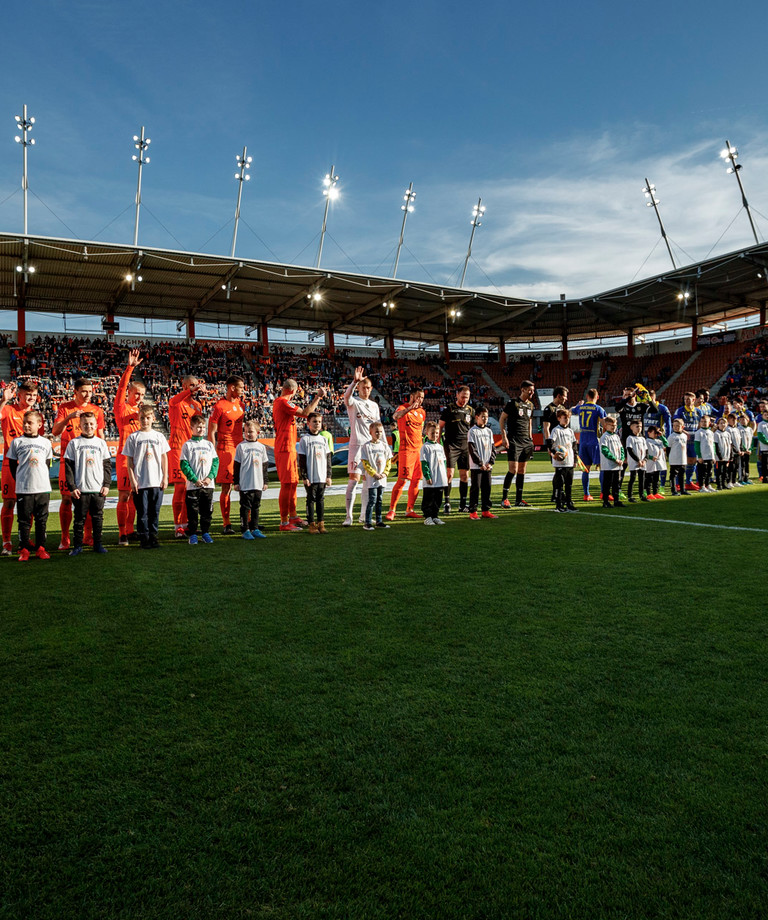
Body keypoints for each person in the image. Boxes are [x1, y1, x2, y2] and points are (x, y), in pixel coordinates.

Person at [52, 377, 106, 550]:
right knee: (67, 498)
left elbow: (101, 436)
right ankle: (65, 537)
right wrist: (68, 417)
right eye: (84, 391)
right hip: (69, 460)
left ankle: (88, 536)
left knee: (90, 498)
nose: (87, 394)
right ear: (75, 391)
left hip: (90, 461)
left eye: (90, 391)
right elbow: (55, 432)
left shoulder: (97, 410)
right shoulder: (64, 407)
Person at [272, 378, 326, 532]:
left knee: (293, 482)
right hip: (284, 447)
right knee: (287, 484)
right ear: (294, 391)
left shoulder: (281, 403)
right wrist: (318, 397)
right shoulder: (283, 402)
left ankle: (293, 515)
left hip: (288, 447)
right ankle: (284, 522)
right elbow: (306, 413)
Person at [6, 409, 53, 561]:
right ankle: (24, 549)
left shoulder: (45, 442)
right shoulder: (17, 442)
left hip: (42, 488)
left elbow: (47, 464)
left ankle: (40, 548)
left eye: (30, 423)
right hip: (24, 488)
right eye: (24, 423)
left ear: (39, 424)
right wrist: (21, 479)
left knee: (41, 521)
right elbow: (13, 465)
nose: (26, 425)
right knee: (24, 521)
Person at [1, 381, 41, 555]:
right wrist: (3, 400)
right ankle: (7, 542)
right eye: (27, 394)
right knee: (9, 502)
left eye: (33, 395)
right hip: (10, 463)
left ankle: (24, 540)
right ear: (20, 395)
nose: (31, 398)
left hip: (30, 465)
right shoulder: (9, 410)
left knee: (29, 506)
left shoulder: (36, 415)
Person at [63, 411, 111, 556]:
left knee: (98, 518)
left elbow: (107, 466)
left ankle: (98, 544)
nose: (88, 426)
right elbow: (69, 467)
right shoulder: (74, 443)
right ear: (80, 426)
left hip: (98, 489)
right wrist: (72, 487)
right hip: (81, 490)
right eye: (85, 424)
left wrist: (106, 485)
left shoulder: (101, 443)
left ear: (96, 425)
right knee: (79, 520)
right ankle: (77, 546)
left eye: (91, 424)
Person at [122, 405, 170, 549]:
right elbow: (129, 460)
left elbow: (164, 458)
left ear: (153, 419)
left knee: (154, 511)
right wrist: (132, 479)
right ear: (138, 419)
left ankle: (154, 537)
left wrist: (165, 477)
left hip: (156, 481)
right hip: (140, 482)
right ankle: (144, 538)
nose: (145, 421)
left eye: (148, 418)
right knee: (142, 512)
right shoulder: (133, 437)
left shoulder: (159, 436)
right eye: (142, 418)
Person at [114, 349, 146, 546]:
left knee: (136, 496)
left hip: (140, 459)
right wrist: (130, 368)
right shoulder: (122, 407)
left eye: (142, 394)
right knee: (124, 495)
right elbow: (121, 388)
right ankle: (122, 534)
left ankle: (131, 530)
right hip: (125, 458)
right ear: (129, 394)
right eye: (136, 394)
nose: (139, 397)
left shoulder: (142, 412)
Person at [342, 366, 380, 526]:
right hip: (357, 446)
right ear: (358, 388)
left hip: (370, 448)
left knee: (368, 482)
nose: (366, 390)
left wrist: (383, 446)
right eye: (363, 387)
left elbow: (377, 427)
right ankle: (348, 517)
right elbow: (346, 397)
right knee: (354, 480)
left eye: (368, 387)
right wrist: (354, 381)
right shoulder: (354, 403)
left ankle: (364, 515)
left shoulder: (374, 406)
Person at [168, 374, 205, 538]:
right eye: (191, 385)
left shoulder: (197, 405)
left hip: (193, 449)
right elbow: (174, 401)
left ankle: (188, 524)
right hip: (177, 448)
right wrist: (191, 390)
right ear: (183, 386)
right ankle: (178, 526)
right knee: (180, 487)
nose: (194, 388)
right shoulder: (176, 402)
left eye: (196, 385)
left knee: (192, 489)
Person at [208, 375, 245, 534]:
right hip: (225, 449)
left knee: (246, 485)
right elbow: (211, 431)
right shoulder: (219, 406)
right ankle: (226, 523)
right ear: (232, 388)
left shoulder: (241, 404)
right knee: (227, 487)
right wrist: (212, 452)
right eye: (241, 388)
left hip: (241, 448)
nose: (243, 391)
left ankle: (248, 520)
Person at [385, 388, 426, 520]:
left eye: (422, 397)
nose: (420, 400)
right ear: (412, 396)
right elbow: (395, 417)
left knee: (416, 481)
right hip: (406, 451)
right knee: (402, 480)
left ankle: (410, 509)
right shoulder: (403, 408)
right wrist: (409, 409)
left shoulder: (422, 412)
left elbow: (420, 430)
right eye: (418, 397)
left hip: (418, 451)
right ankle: (392, 510)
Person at [180, 415, 218, 545]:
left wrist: (210, 477)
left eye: (203, 427)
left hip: (208, 485)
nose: (201, 429)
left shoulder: (209, 445)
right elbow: (184, 464)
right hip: (193, 486)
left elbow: (215, 462)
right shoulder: (187, 445)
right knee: (193, 512)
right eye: (198, 427)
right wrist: (194, 479)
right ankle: (193, 534)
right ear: (192, 428)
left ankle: (205, 533)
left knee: (207, 511)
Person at [499, 380, 535, 508]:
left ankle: (519, 500)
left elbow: (529, 422)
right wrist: (504, 437)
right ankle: (504, 499)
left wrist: (530, 438)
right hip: (514, 440)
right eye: (530, 390)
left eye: (533, 390)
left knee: (522, 470)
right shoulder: (512, 403)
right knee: (513, 470)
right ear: (523, 389)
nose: (532, 392)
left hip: (526, 441)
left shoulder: (531, 405)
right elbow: (502, 419)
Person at [439, 385, 474, 514]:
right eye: (463, 396)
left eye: (467, 397)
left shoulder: (471, 411)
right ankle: (447, 503)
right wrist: (438, 444)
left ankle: (462, 505)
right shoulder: (449, 409)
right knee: (449, 474)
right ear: (457, 395)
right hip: (451, 445)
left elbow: (473, 429)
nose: (465, 399)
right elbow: (440, 426)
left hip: (465, 446)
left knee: (465, 476)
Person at [297, 411, 333, 534]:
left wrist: (328, 475)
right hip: (311, 476)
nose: (317, 424)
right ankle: (312, 524)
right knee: (310, 500)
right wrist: (304, 476)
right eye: (314, 422)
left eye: (319, 422)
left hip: (322, 475)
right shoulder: (304, 439)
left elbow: (328, 458)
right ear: (308, 423)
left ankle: (321, 524)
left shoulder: (323, 439)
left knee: (321, 500)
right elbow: (301, 460)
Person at [233, 418, 269, 539]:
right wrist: (236, 482)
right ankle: (245, 530)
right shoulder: (240, 447)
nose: (248, 434)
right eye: (246, 431)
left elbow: (264, 466)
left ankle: (255, 528)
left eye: (251, 431)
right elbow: (236, 466)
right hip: (245, 483)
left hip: (258, 483)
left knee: (256, 507)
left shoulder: (261, 447)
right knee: (245, 507)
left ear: (257, 433)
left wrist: (265, 481)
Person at [574, 388, 606, 502]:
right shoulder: (598, 409)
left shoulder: (580, 408)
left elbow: (569, 411)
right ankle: (603, 493)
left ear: (587, 396)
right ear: (597, 397)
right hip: (594, 440)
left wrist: (577, 405)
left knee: (585, 469)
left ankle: (586, 494)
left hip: (582, 441)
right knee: (602, 467)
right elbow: (604, 424)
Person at [360, 422, 392, 530]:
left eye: (381, 432)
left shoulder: (384, 446)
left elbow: (388, 461)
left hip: (382, 478)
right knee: (372, 500)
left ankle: (379, 521)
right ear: (371, 432)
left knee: (380, 500)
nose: (379, 434)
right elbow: (365, 462)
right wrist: (374, 473)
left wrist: (384, 473)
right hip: (372, 479)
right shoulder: (366, 446)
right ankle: (367, 522)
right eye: (376, 432)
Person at [467, 405, 497, 520]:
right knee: (475, 488)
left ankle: (486, 510)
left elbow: (493, 448)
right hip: (477, 466)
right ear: (477, 417)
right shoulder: (472, 431)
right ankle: (473, 511)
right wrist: (480, 464)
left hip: (487, 466)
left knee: (487, 488)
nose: (485, 419)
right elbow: (472, 449)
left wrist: (490, 462)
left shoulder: (489, 431)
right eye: (483, 417)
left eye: (487, 417)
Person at [541, 386, 569, 502]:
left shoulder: (562, 408)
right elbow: (546, 428)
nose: (566, 399)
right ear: (559, 396)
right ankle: (556, 494)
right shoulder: (549, 409)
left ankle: (558, 493)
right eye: (565, 396)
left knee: (563, 469)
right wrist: (549, 445)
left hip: (563, 444)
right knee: (558, 469)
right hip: (555, 444)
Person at [420, 419, 448, 525]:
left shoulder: (440, 447)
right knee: (428, 498)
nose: (435, 435)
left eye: (436, 433)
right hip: (431, 478)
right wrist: (427, 476)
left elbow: (444, 462)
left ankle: (435, 516)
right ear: (427, 433)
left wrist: (444, 474)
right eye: (432, 433)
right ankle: (427, 517)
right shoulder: (425, 447)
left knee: (438, 498)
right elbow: (424, 463)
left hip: (440, 478)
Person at [672, 393, 703, 491]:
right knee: (680, 460)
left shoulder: (698, 411)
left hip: (694, 439)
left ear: (694, 400)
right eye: (685, 399)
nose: (687, 401)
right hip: (682, 438)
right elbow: (675, 422)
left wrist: (698, 432)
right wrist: (684, 432)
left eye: (689, 399)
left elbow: (700, 424)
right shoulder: (680, 410)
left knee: (693, 461)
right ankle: (677, 483)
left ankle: (688, 482)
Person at [549, 408, 577, 512]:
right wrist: (554, 453)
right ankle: (559, 504)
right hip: (560, 462)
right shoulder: (556, 430)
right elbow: (550, 443)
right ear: (559, 418)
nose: (566, 420)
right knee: (559, 484)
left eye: (568, 418)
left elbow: (574, 446)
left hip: (569, 461)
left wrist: (575, 460)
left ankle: (569, 502)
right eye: (564, 418)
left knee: (569, 484)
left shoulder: (570, 431)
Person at [599, 416, 624, 507]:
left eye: (615, 425)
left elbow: (621, 448)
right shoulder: (605, 437)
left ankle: (616, 500)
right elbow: (605, 450)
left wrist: (622, 458)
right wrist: (615, 459)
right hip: (608, 465)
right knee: (607, 484)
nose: (613, 427)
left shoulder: (616, 436)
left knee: (616, 483)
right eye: (611, 425)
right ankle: (606, 501)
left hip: (617, 465)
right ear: (606, 426)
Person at [625, 419, 648, 502]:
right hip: (634, 462)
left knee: (642, 479)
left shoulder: (642, 438)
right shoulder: (630, 438)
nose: (639, 428)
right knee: (633, 478)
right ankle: (630, 496)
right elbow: (630, 450)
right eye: (637, 426)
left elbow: (646, 450)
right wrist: (638, 460)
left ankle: (642, 495)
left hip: (642, 462)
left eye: (640, 427)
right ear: (631, 427)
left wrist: (645, 459)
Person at [693, 415, 716, 492]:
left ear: (709, 423)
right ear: (700, 423)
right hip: (702, 456)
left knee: (709, 472)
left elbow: (713, 445)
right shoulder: (698, 433)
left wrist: (714, 456)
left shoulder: (711, 432)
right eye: (702, 422)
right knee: (702, 472)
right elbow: (696, 445)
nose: (703, 423)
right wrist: (699, 456)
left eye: (705, 422)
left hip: (710, 455)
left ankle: (708, 484)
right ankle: (701, 486)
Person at [667, 417, 689, 496]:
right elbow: (668, 448)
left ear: (682, 427)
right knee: (673, 475)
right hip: (674, 459)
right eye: (674, 426)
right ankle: (674, 490)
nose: (676, 427)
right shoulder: (671, 437)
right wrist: (669, 457)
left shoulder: (684, 436)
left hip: (682, 459)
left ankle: (682, 490)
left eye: (678, 426)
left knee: (682, 475)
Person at [644, 426, 666, 500]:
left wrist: (661, 435)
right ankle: (648, 493)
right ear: (649, 433)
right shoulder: (646, 441)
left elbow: (666, 444)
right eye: (654, 433)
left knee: (656, 479)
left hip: (658, 462)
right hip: (650, 462)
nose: (656, 435)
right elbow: (644, 452)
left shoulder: (658, 441)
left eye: (657, 433)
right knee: (649, 478)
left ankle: (655, 492)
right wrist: (650, 457)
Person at [714, 416, 733, 491]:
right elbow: (716, 445)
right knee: (719, 471)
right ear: (718, 424)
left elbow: (730, 445)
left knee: (725, 471)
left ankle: (724, 484)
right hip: (720, 457)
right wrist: (719, 456)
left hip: (727, 455)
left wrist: (731, 455)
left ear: (727, 424)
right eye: (721, 423)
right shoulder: (716, 434)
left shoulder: (727, 434)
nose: (723, 425)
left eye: (724, 423)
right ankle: (719, 485)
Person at [738, 414, 754, 484]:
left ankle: (746, 478)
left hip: (748, 450)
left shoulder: (750, 429)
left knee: (747, 464)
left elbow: (751, 440)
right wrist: (744, 449)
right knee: (742, 464)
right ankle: (741, 479)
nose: (742, 421)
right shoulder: (738, 429)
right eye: (741, 420)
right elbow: (739, 440)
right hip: (742, 450)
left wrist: (750, 449)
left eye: (744, 419)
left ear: (748, 421)